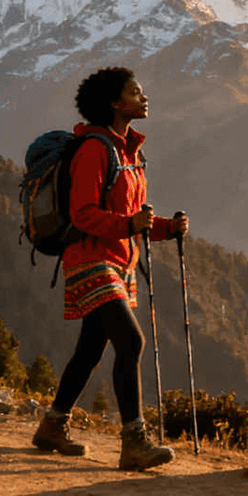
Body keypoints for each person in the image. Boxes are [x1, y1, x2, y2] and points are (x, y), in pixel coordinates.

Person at [29, 67, 189, 471]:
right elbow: (83, 215)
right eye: (136, 91)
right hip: (89, 259)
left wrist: (167, 228)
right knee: (130, 343)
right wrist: (128, 226)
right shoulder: (95, 151)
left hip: (119, 262)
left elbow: (131, 216)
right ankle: (133, 441)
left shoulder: (129, 152)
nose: (144, 97)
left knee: (90, 350)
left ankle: (52, 425)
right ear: (116, 103)